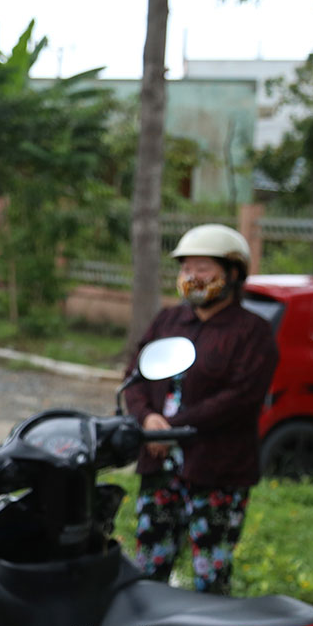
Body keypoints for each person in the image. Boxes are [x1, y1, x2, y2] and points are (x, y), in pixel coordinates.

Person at [124, 223, 278, 595]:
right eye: (185, 268)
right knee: (149, 564)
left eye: (203, 269)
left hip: (218, 470)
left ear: (233, 273)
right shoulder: (169, 321)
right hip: (160, 465)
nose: (191, 277)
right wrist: (147, 419)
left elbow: (240, 398)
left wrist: (172, 428)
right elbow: (136, 373)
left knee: (211, 571)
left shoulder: (252, 332)